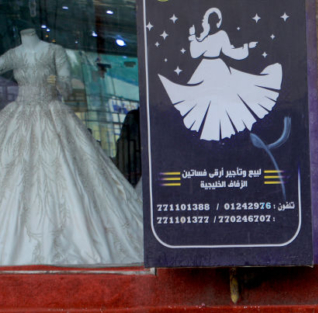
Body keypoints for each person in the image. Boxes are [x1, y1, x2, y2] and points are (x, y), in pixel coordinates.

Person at [0, 28, 143, 265]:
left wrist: (54, 82)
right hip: (20, 117)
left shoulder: (54, 51)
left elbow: (66, 86)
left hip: (52, 114)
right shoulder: (15, 54)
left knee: (65, 173)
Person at [158, 7, 282, 141]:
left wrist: (246, 47)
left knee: (223, 100)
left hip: (216, 69)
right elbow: (196, 53)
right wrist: (193, 36)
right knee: (206, 101)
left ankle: (220, 138)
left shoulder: (221, 34)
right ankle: (212, 138)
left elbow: (230, 52)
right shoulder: (204, 36)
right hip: (206, 69)